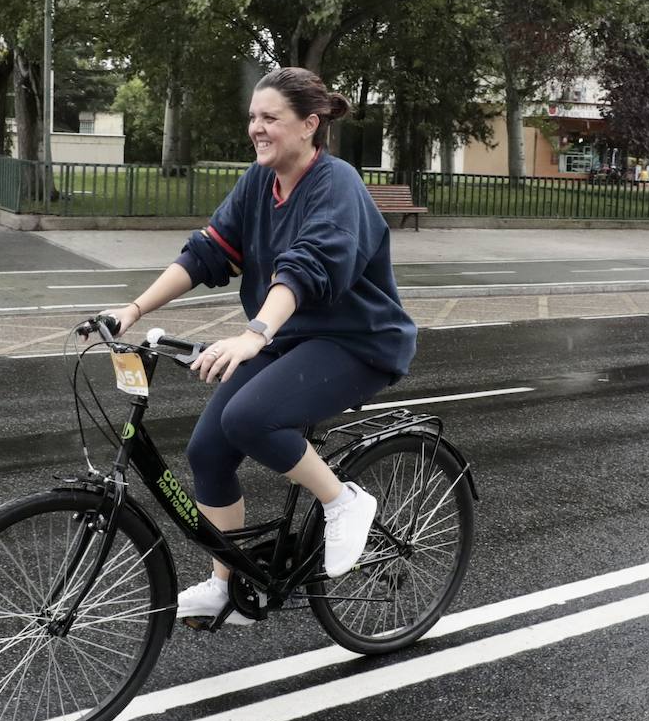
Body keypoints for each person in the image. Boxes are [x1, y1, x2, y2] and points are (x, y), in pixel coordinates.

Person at [98, 67, 418, 625]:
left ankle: (343, 501)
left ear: (309, 125)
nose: (257, 128)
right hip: (288, 336)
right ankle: (229, 582)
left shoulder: (336, 184)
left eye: (271, 117)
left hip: (356, 342)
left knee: (250, 419)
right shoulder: (258, 183)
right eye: (253, 117)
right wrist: (133, 309)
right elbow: (205, 252)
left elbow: (307, 267)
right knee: (207, 451)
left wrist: (254, 334)